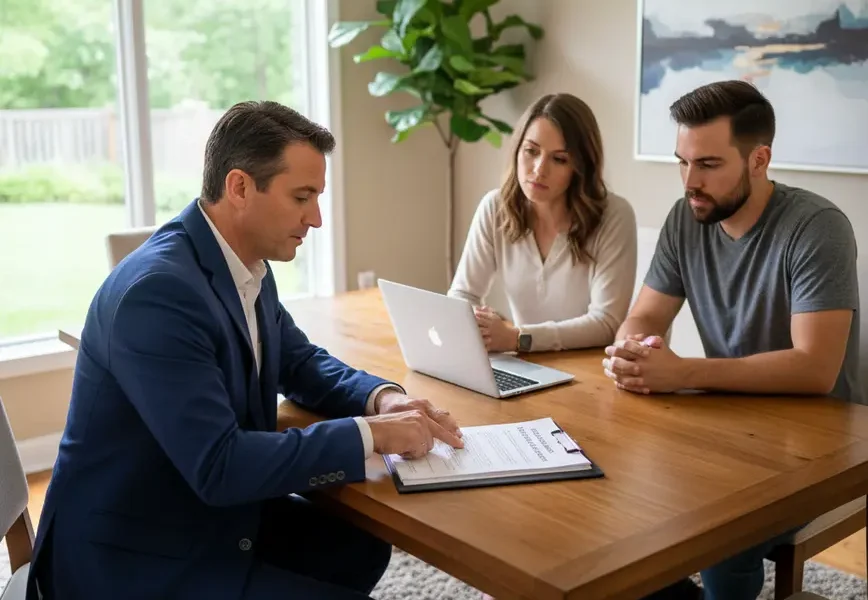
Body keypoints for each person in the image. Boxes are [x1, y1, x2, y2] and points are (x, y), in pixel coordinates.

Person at [26, 101, 464, 600]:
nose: (317, 218)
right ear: (239, 187)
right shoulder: (158, 293)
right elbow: (220, 466)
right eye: (302, 197)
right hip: (131, 556)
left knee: (361, 547)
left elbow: (299, 361)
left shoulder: (245, 263)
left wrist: (382, 399)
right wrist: (371, 435)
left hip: (195, 509)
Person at [603, 79, 862, 600]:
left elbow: (816, 368)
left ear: (759, 159)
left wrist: (682, 373)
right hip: (730, 423)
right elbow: (647, 313)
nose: (690, 181)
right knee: (619, 501)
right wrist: (633, 350)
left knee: (719, 534)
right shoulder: (686, 218)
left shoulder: (818, 227)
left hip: (824, 444)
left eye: (708, 164)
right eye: (682, 162)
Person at [448, 92, 637, 354]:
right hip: (525, 364)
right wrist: (481, 327)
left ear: (580, 167)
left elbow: (606, 322)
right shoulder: (495, 207)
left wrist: (518, 338)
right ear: (517, 150)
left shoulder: (614, 216)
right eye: (531, 151)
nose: (539, 170)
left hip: (588, 369)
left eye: (559, 159)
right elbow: (463, 295)